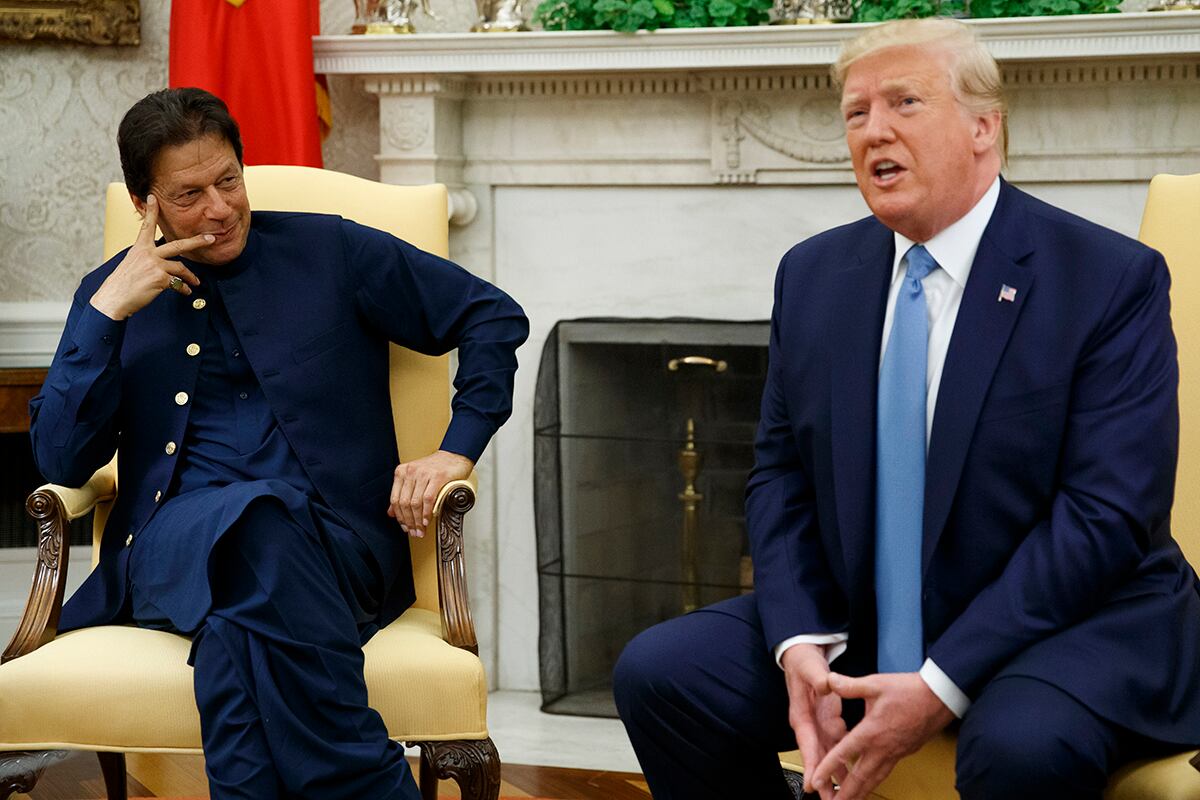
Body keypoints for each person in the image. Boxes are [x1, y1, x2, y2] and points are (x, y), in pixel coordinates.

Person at [613, 18, 1200, 800]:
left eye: (904, 103)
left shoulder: (1105, 278)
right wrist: (797, 645)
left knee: (1021, 747)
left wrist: (941, 681)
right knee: (662, 673)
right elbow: (779, 475)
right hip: (867, 617)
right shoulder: (814, 275)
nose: (873, 130)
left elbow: (1108, 514)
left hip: (1062, 626)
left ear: (984, 127)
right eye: (856, 113)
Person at [30, 87, 528, 800]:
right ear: (147, 205)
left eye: (229, 179)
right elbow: (58, 460)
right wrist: (108, 312)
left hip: (337, 547)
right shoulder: (110, 297)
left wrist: (458, 448)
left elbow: (490, 315)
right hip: (169, 549)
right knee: (259, 518)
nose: (220, 207)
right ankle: (371, 783)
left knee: (236, 643)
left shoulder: (330, 249)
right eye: (189, 194)